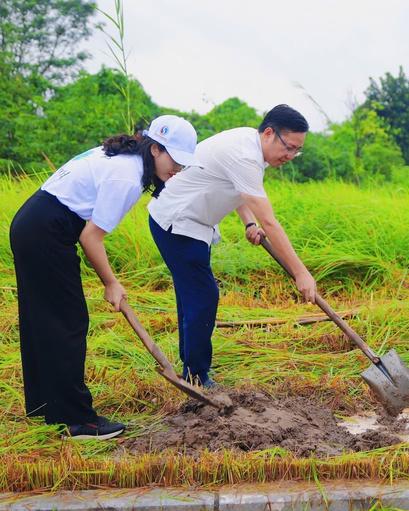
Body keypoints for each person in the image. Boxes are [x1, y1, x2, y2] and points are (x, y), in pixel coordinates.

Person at [9, 115, 202, 439]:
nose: (178, 169)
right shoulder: (125, 178)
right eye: (176, 160)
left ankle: (47, 408)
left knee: (42, 319)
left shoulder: (124, 159)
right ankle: (78, 420)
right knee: (67, 322)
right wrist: (112, 283)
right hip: (47, 230)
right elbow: (91, 238)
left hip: (33, 221)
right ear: (155, 148)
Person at [147, 104, 317, 389]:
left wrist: (249, 224)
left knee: (193, 299)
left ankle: (191, 371)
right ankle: (197, 376)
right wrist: (300, 272)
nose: (290, 156)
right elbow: (271, 222)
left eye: (296, 151)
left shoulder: (249, 145)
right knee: (203, 297)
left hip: (192, 224)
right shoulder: (245, 155)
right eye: (288, 147)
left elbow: (240, 191)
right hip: (177, 223)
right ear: (268, 133)